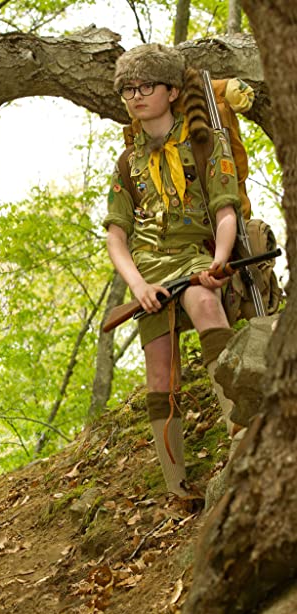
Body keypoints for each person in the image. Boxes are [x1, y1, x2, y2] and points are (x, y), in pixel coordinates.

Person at [104, 43, 240, 500]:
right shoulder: (128, 161)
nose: (136, 96)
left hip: (197, 256)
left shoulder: (205, 141)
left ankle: (243, 440)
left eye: (145, 86)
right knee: (159, 371)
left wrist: (220, 259)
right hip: (149, 271)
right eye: (127, 89)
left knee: (204, 301)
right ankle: (177, 484)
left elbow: (225, 209)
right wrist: (137, 285)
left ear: (172, 90)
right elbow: (116, 236)